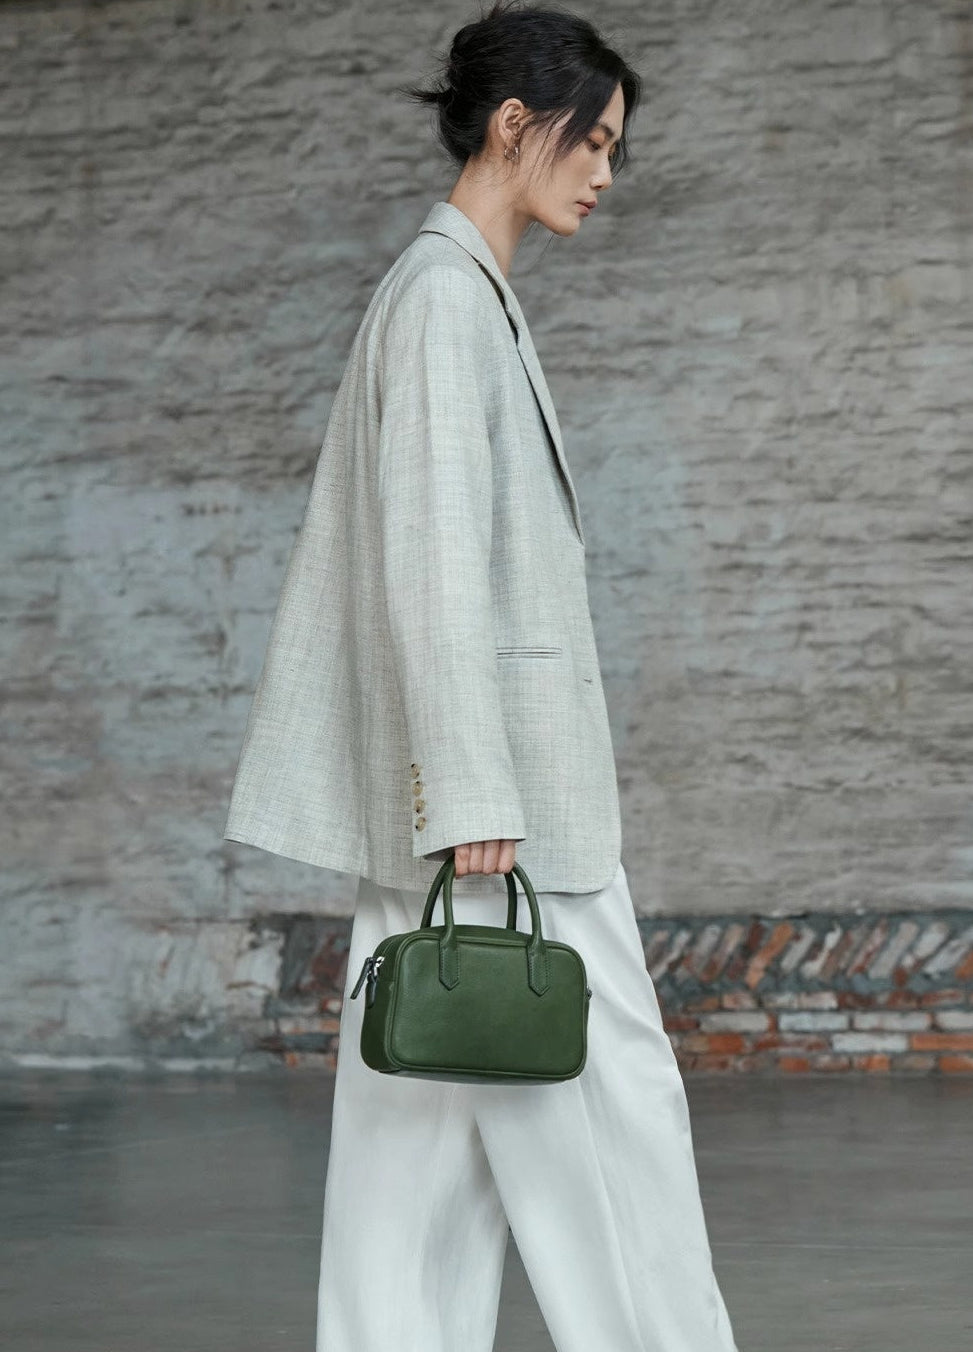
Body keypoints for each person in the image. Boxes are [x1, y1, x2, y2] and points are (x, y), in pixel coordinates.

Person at [222, 3, 741, 1349]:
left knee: (413, 1175)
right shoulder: (446, 303)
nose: (605, 172)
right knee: (612, 1143)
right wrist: (466, 790)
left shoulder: (450, 295)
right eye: (593, 141)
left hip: (464, 815)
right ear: (516, 124)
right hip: (505, 819)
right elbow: (433, 566)